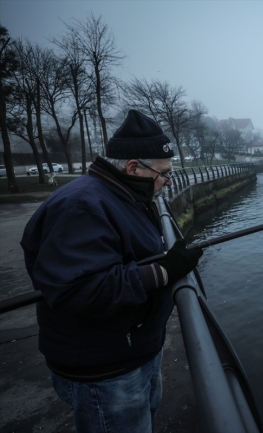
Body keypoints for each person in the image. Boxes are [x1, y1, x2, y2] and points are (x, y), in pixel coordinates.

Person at [21, 109, 203, 433]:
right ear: (133, 167)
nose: (169, 181)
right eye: (164, 173)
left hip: (132, 353)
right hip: (105, 371)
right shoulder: (82, 205)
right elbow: (78, 289)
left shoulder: (124, 194)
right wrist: (164, 271)